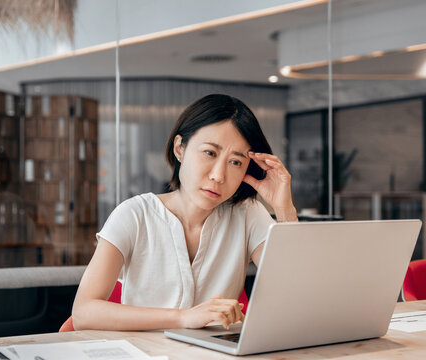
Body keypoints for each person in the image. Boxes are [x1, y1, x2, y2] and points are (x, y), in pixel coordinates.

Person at [72, 94, 297, 331]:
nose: (218, 176)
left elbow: (293, 292)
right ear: (180, 148)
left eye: (235, 162)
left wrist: (284, 209)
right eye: (210, 153)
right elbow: (84, 312)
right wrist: (182, 318)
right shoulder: (134, 215)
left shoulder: (247, 214)